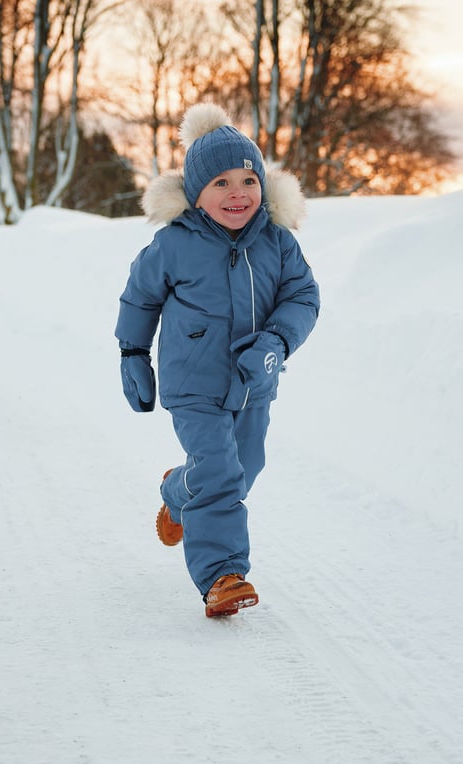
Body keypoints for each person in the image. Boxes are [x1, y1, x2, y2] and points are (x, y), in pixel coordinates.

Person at [115, 103, 321, 617]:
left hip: (254, 384)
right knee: (223, 472)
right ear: (196, 193)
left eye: (248, 180)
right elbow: (140, 298)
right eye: (221, 183)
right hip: (194, 384)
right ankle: (222, 575)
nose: (237, 194)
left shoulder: (278, 242)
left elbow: (303, 298)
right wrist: (133, 353)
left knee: (246, 467)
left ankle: (177, 489)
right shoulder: (174, 245)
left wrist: (276, 341)